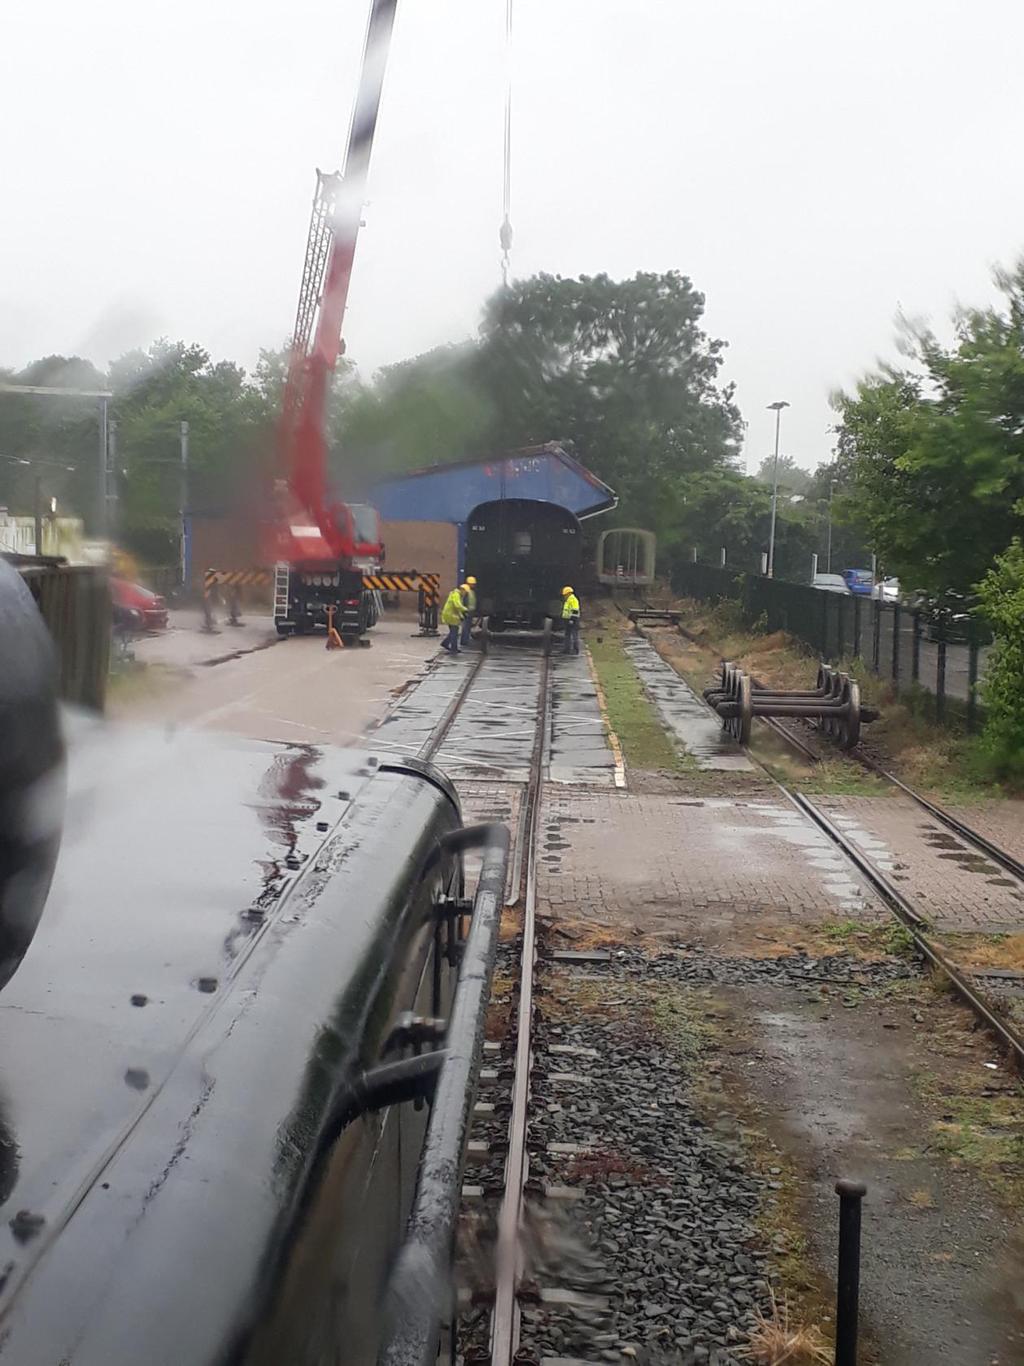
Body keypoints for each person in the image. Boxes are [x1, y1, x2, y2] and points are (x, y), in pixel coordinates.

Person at [440, 583, 467, 654]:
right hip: (450, 616)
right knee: (454, 632)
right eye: (465, 592)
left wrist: (461, 616)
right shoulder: (456, 595)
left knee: (453, 631)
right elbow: (457, 605)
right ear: (462, 590)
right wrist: (465, 609)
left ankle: (445, 643)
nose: (465, 594)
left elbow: (457, 609)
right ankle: (453, 649)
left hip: (451, 615)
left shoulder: (458, 595)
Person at [561, 585, 580, 655]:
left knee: (574, 634)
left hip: (573, 620)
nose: (564, 596)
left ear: (568, 593)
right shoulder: (568, 600)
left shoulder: (573, 600)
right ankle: (566, 649)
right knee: (567, 635)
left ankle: (575, 650)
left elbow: (575, 610)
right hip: (567, 619)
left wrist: (572, 619)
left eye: (565, 595)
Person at [460, 576, 478, 648]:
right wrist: (465, 611)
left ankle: (465, 640)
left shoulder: (472, 591)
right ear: (468, 583)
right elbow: (464, 602)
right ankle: (464, 641)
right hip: (467, 612)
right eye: (472, 584)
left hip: (470, 611)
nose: (473, 585)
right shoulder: (466, 592)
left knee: (467, 627)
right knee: (466, 627)